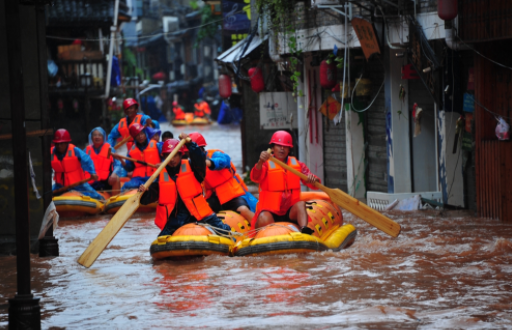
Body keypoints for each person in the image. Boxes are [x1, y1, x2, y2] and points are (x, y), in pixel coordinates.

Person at [138, 135, 232, 237]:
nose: (172, 159)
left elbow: (199, 160)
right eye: (168, 156)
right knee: (160, 241)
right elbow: (148, 198)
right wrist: (145, 192)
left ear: (180, 155)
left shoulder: (193, 167)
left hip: (199, 214)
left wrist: (190, 144)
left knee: (225, 232)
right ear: (164, 157)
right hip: (175, 219)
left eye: (175, 155)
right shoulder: (161, 174)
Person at [250, 130, 320, 234]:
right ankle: (270, 235)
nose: (282, 148)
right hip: (270, 212)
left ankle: (304, 230)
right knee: (264, 217)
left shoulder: (297, 165)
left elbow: (313, 184)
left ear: (289, 149)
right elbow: (255, 177)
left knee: (301, 204)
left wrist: (314, 179)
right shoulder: (265, 164)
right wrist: (260, 162)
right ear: (272, 148)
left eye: (285, 146)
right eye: (279, 145)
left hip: (289, 212)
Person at [189, 132, 255, 221]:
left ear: (201, 149)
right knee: (197, 214)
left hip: (231, 195)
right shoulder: (189, 164)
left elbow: (223, 161)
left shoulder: (215, 154)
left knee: (243, 210)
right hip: (214, 198)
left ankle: (259, 228)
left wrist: (207, 163)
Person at [51, 128, 105, 201]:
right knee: (48, 194)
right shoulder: (51, 153)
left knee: (96, 197)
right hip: (60, 185)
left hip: (78, 184)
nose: (59, 146)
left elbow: (87, 160)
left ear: (67, 143)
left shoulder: (74, 150)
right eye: (57, 144)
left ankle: (102, 202)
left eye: (61, 143)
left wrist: (92, 173)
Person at [118, 123, 162, 192]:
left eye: (142, 133)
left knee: (152, 186)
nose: (140, 136)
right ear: (135, 137)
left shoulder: (157, 145)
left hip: (153, 177)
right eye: (137, 135)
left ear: (145, 134)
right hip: (138, 179)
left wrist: (162, 163)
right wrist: (121, 160)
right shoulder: (131, 150)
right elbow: (129, 168)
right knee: (126, 186)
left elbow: (166, 158)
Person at [85, 127, 124, 195]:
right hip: (91, 181)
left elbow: (117, 165)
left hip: (106, 181)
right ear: (91, 137)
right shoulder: (86, 150)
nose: (97, 137)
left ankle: (114, 200)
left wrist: (114, 173)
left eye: (99, 135)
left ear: (103, 137)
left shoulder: (110, 149)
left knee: (116, 178)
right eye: (95, 135)